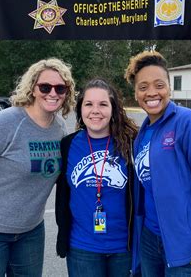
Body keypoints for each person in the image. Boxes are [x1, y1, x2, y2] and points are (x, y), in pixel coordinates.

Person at [125, 51, 191, 276]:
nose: (151, 92)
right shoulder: (143, 132)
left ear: (169, 89)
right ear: (135, 93)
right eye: (143, 87)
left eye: (159, 85)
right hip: (150, 239)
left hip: (186, 246)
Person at [0, 58, 75, 277]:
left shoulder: (59, 128)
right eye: (45, 87)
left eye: (60, 88)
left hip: (31, 232)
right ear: (33, 87)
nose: (53, 93)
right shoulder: (7, 122)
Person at [55, 78, 138, 277]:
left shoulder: (131, 142)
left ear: (113, 108)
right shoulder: (68, 145)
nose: (95, 110)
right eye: (89, 104)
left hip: (124, 248)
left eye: (103, 104)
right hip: (82, 248)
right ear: (80, 109)